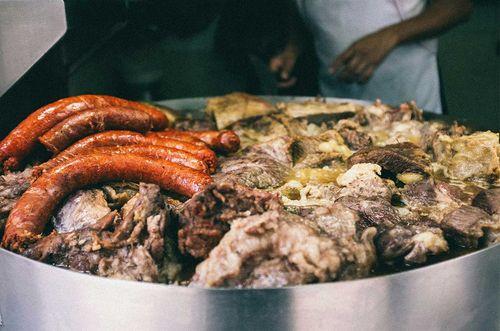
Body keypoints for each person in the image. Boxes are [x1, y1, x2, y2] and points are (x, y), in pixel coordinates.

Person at [269, 0, 473, 113]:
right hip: (335, 98)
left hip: (408, 97)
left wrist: (390, 35)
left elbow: (458, 6)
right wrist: (293, 49)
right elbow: (299, 8)